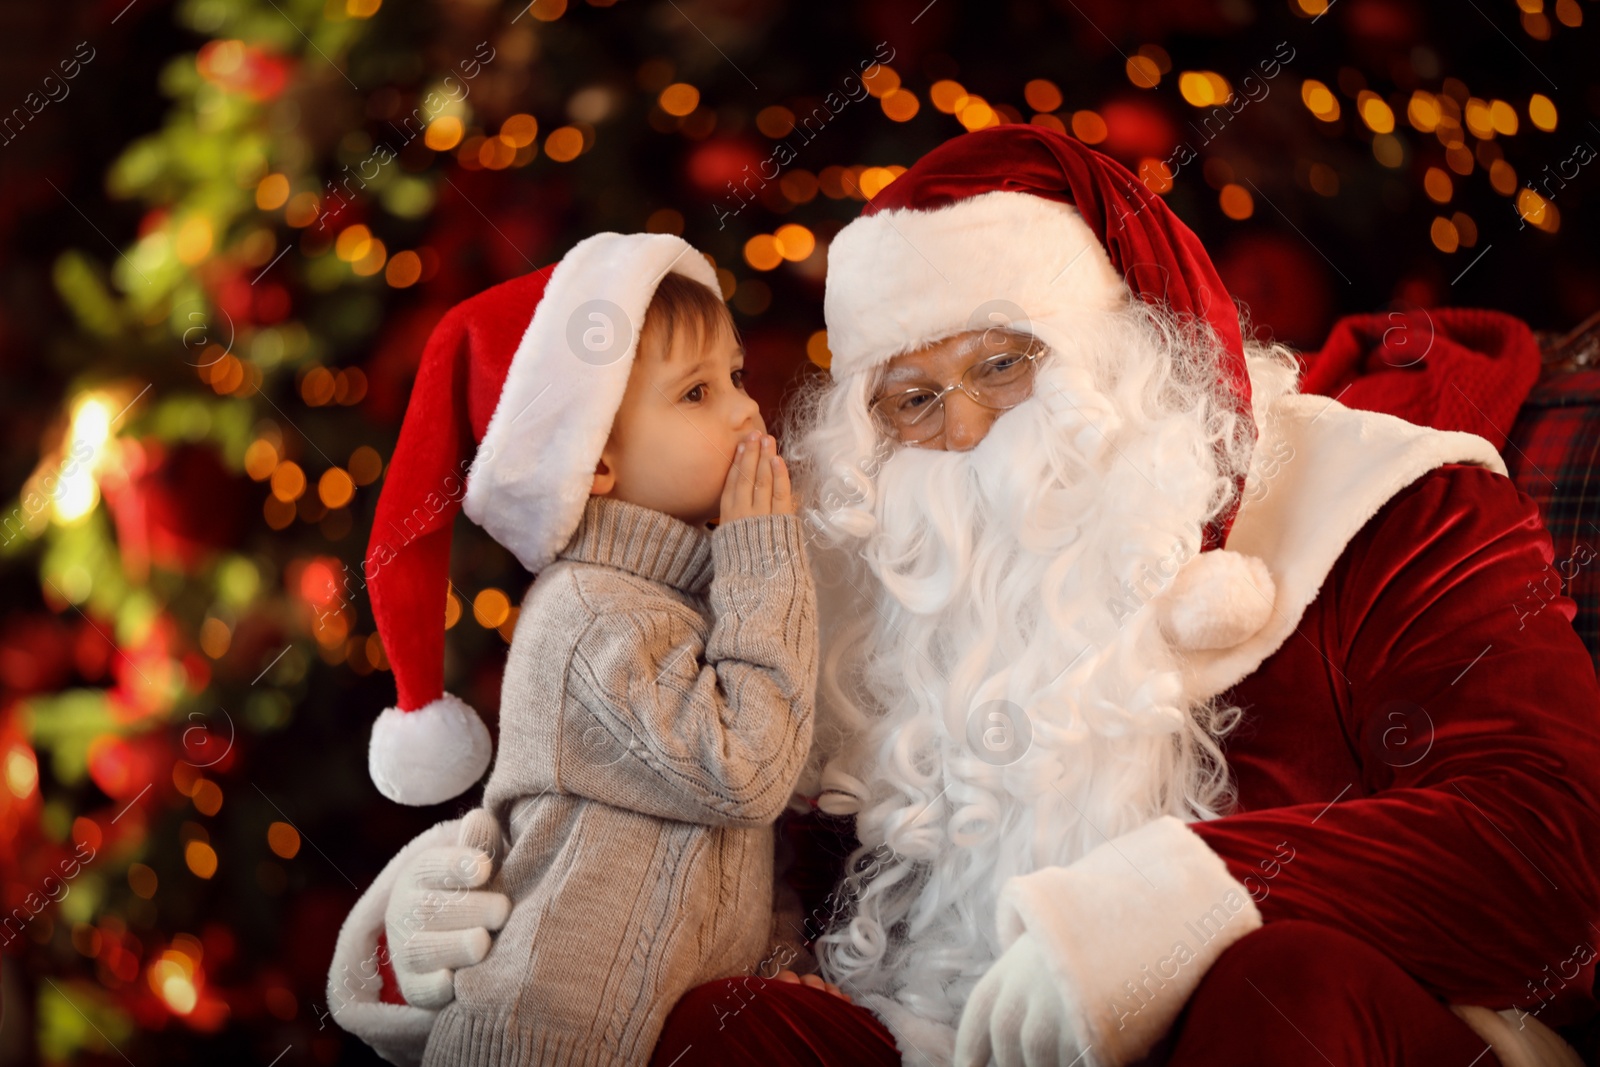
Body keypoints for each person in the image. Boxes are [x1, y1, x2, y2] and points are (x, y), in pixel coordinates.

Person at [330, 129, 1600, 1067]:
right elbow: (674, 819)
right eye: (914, 399)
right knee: (735, 1034)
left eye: (1006, 363)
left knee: (1283, 988)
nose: (974, 429)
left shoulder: (1379, 501)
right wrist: (460, 900)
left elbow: (1546, 847)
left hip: (1302, 1034)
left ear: (1124, 343)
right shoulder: (853, 581)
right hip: (932, 1041)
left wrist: (1168, 905)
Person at [330, 231, 844, 1066]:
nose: (746, 410)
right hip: (537, 1041)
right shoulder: (589, 615)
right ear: (595, 461)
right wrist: (760, 556)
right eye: (697, 393)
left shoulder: (690, 605)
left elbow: (740, 857)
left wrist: (781, 972)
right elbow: (747, 769)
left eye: (738, 377)